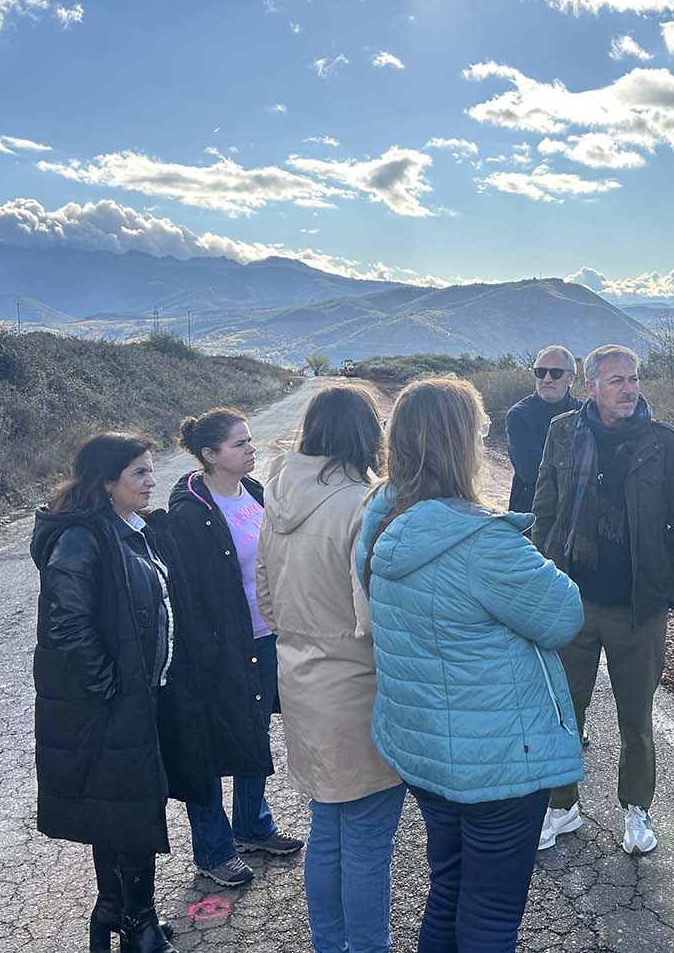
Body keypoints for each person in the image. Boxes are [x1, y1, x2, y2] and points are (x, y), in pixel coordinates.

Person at [355, 377, 584, 952]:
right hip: (499, 758)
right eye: (480, 430)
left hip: (425, 747)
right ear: (461, 443)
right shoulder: (484, 541)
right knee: (491, 912)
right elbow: (562, 618)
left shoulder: (379, 517)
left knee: (449, 888)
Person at [255, 386, 406, 953]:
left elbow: (265, 599)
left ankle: (329, 944)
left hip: (299, 681)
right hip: (356, 686)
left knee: (328, 829)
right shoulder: (364, 504)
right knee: (367, 839)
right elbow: (376, 617)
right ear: (367, 435)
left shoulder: (277, 496)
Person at [531, 344, 674, 855]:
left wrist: (668, 590)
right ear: (591, 387)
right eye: (618, 380)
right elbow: (545, 508)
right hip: (572, 602)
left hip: (637, 606)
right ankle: (563, 805)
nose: (629, 389)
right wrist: (543, 578)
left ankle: (637, 809)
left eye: (634, 379)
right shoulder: (562, 434)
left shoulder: (664, 443)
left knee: (636, 718)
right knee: (564, 710)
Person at [30, 433, 180, 953]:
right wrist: (111, 687)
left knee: (119, 806)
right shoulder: (83, 538)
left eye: (150, 470)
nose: (150, 481)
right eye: (139, 472)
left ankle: (114, 911)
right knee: (128, 808)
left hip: (138, 693)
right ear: (107, 481)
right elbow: (65, 623)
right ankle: (138, 925)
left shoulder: (129, 529)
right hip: (113, 699)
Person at [163, 409, 300, 888]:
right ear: (210, 455)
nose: (251, 448)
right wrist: (206, 652)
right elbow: (187, 595)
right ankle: (214, 850)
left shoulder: (254, 492)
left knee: (253, 735)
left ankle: (252, 827)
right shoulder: (189, 513)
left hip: (264, 638)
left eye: (249, 441)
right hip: (219, 649)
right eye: (240, 444)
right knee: (209, 747)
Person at [504, 345, 580, 513]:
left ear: (571, 378)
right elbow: (531, 474)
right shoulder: (519, 415)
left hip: (575, 513)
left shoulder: (584, 414)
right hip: (531, 513)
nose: (547, 379)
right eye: (540, 372)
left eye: (555, 373)